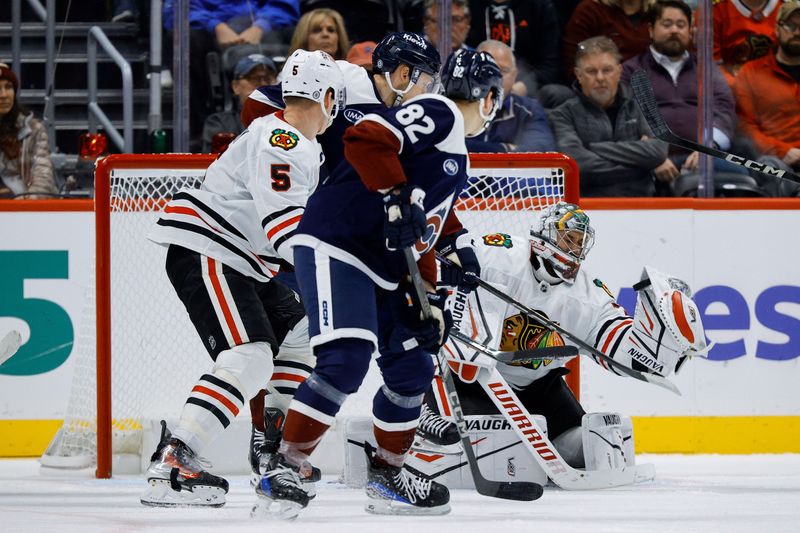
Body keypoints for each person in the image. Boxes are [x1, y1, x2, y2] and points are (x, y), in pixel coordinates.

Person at [253, 46, 503, 519]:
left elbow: (419, 237)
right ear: (487, 98)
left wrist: (431, 302)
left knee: (413, 367)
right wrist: (395, 194)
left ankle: (389, 471)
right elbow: (367, 137)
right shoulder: (440, 112)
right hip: (339, 244)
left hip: (386, 267)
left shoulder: (456, 158)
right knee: (346, 360)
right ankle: (283, 466)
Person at [140, 50, 345, 508]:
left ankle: (273, 453)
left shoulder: (295, 141)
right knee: (250, 356)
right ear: (328, 97)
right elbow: (284, 224)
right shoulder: (282, 139)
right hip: (211, 249)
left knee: (300, 335)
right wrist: (331, 275)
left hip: (243, 259)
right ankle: (176, 460)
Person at [417, 202, 708, 473]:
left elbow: (619, 347)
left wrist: (657, 341)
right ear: (546, 233)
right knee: (483, 446)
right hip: (477, 384)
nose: (575, 247)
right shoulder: (500, 256)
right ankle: (417, 417)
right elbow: (445, 266)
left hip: (539, 387)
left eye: (581, 242)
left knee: (590, 449)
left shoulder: (587, 294)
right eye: (569, 238)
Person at [622, 0, 748, 192]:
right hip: (653, 161)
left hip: (704, 158)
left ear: (690, 31)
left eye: (681, 25)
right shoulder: (631, 70)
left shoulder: (706, 68)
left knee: (743, 176)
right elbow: (624, 120)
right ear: (650, 29)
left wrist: (709, 147)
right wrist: (652, 157)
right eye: (667, 24)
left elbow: (724, 109)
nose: (674, 30)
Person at [162, 0, 300, 150]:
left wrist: (261, 25)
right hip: (208, 30)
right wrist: (215, 25)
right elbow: (177, 8)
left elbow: (285, 4)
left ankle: (299, 120)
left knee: (303, 34)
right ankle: (197, 134)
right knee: (185, 40)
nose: (260, 81)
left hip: (264, 29)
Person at [549, 37, 669, 197]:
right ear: (578, 75)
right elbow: (577, 165)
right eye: (591, 71)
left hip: (641, 203)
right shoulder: (562, 114)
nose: (600, 78)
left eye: (607, 70)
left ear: (619, 72)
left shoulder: (641, 105)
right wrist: (641, 163)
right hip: (587, 207)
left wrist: (592, 147)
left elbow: (658, 151)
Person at [733, 1, 800, 196]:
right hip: (777, 162)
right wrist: (783, 151)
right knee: (766, 165)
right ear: (777, 29)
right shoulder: (751, 73)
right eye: (791, 26)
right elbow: (745, 128)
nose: (797, 32)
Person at [466, 40, 556, 153]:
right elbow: (443, 146)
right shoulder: (454, 106)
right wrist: (505, 149)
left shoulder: (529, 110)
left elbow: (541, 149)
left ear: (514, 76)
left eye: (503, 70)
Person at [466, 0, 561, 95]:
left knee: (555, 93)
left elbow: (550, 65)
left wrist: (523, 86)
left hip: (527, 86)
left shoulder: (540, 7)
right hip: (476, 82)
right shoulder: (469, 6)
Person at [0, 64, 57, 199]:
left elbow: (43, 176)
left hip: (24, 206)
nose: (3, 95)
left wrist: (26, 207)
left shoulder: (33, 129)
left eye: (8, 87)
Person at [202, 54, 278, 153]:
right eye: (253, 78)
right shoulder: (218, 123)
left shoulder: (290, 120)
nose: (262, 83)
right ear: (235, 86)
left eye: (267, 78)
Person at [562, 0, 655, 81]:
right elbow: (574, 66)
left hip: (652, 91)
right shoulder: (590, 11)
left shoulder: (658, 10)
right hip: (601, 92)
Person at [712, 0, 785, 87]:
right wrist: (741, 89)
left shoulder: (788, 7)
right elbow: (710, 68)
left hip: (781, 89)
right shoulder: (714, 10)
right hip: (731, 93)